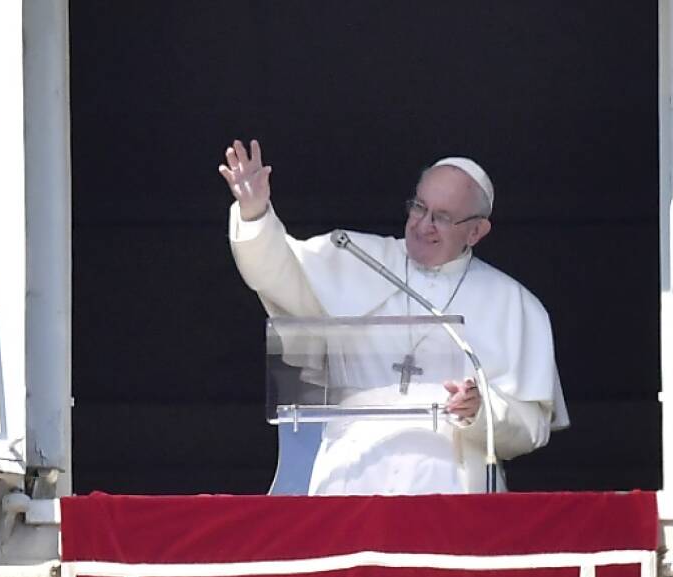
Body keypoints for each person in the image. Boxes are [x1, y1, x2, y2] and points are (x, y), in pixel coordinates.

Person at [219, 139, 569, 495]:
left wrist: (481, 409)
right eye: (419, 208)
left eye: (443, 218)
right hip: (350, 471)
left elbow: (532, 425)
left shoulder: (512, 303)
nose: (423, 225)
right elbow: (278, 272)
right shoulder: (355, 256)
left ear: (476, 231)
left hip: (451, 479)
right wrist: (255, 213)